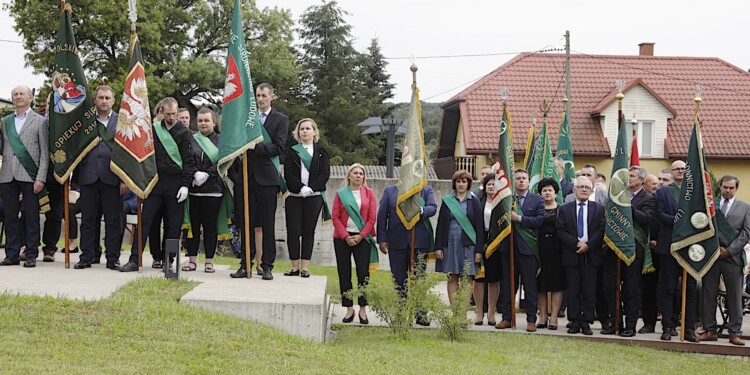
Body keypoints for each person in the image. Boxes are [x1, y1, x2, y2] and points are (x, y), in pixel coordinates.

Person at [120, 97, 194, 272]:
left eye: (174, 114)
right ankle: (134, 259)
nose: (172, 117)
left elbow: (188, 161)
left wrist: (185, 185)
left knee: (174, 225)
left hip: (175, 183)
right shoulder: (153, 131)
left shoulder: (184, 132)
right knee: (144, 221)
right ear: (161, 112)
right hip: (156, 182)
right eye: (168, 114)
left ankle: (170, 262)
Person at [230, 83, 289, 280]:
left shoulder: (280, 119)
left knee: (267, 224)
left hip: (267, 179)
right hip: (246, 179)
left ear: (272, 97)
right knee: (245, 224)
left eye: (264, 95)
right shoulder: (247, 119)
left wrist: (255, 147)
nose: (260, 99)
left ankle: (267, 266)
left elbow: (278, 147)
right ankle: (246, 263)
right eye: (258, 95)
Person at [74, 85, 126, 270]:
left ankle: (112, 258)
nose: (104, 101)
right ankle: (87, 256)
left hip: (113, 178)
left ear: (113, 101)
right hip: (88, 177)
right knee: (88, 221)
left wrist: (124, 179)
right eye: (101, 98)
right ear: (95, 100)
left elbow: (127, 152)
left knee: (113, 221)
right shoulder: (86, 121)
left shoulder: (122, 121)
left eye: (107, 98)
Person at [602, 166, 655, 337]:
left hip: (634, 249)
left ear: (641, 180)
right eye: (627, 176)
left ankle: (630, 325)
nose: (628, 178)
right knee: (610, 287)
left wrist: (628, 208)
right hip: (613, 248)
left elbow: (647, 220)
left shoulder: (648, 198)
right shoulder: (616, 196)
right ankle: (615, 323)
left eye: (632, 176)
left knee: (632, 289)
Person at [0, 86, 49, 268]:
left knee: (31, 216)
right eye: (15, 94)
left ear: (30, 98)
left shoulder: (40, 121)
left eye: (22, 94)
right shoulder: (5, 122)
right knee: (10, 217)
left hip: (30, 175)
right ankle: (11, 254)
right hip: (7, 176)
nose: (18, 97)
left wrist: (41, 178)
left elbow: (44, 153)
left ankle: (31, 254)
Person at [697, 175, 749, 346]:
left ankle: (734, 333)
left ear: (736, 188)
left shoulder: (745, 207)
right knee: (708, 294)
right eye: (725, 187)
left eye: (731, 188)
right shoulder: (710, 205)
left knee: (734, 297)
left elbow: (746, 233)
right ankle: (710, 330)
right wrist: (714, 249)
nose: (728, 190)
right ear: (720, 187)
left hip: (732, 258)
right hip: (711, 256)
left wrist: (729, 251)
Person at [377, 180, 436, 326]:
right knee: (399, 278)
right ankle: (401, 312)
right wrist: (382, 239)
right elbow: (382, 216)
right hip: (397, 241)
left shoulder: (425, 189)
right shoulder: (390, 191)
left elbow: (433, 208)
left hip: (419, 241)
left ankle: (420, 313)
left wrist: (420, 210)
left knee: (419, 279)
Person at [495, 169, 544, 332]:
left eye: (524, 178)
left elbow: (539, 221)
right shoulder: (507, 199)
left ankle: (531, 320)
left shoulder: (537, 200)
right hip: (508, 249)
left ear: (529, 182)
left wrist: (519, 219)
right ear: (513, 182)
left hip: (528, 250)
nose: (521, 181)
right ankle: (507, 318)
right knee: (509, 286)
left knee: (530, 286)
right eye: (518, 178)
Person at [654, 160, 698, 342]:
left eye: (683, 169)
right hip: (669, 246)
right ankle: (667, 327)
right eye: (677, 169)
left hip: (690, 246)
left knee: (690, 290)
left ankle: (688, 328)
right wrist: (681, 222)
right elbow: (661, 215)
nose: (680, 171)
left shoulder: (695, 192)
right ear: (671, 173)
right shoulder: (663, 192)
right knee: (668, 288)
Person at [557, 176, 606, 336]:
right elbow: (561, 230)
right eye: (581, 186)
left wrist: (588, 245)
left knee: (589, 290)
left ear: (592, 190)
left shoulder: (599, 208)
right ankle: (574, 321)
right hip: (572, 254)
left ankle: (586, 322)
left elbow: (601, 230)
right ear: (574, 190)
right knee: (573, 290)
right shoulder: (565, 209)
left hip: (591, 255)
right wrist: (576, 244)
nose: (584, 189)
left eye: (587, 187)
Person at [284, 118, 331, 278]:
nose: (304, 131)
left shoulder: (321, 152)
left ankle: (305, 268)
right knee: (293, 232)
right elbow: (288, 174)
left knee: (308, 232)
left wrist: (311, 188)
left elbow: (324, 174)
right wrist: (300, 187)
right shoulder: (292, 151)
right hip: (295, 196)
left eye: (307, 128)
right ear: (298, 133)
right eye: (301, 129)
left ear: (314, 132)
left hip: (314, 197)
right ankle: (294, 267)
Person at [331, 164, 377, 324]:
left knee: (363, 274)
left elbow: (372, 218)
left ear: (364, 178)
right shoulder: (341, 194)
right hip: (342, 238)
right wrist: (345, 236)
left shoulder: (369, 194)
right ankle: (349, 309)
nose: (358, 175)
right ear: (348, 176)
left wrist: (360, 236)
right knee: (344, 273)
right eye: (355, 173)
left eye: (361, 173)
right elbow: (335, 217)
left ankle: (363, 309)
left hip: (362, 239)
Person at [182, 107, 223, 273]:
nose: (203, 123)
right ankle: (192, 260)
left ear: (214, 122)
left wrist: (207, 173)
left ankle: (209, 261)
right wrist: (194, 174)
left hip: (213, 189)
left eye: (207, 120)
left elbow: (223, 161)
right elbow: (186, 159)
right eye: (200, 120)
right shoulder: (191, 139)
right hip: (193, 190)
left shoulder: (221, 140)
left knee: (210, 227)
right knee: (193, 226)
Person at [435, 170, 484, 306]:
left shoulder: (474, 201)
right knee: (452, 276)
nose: (461, 184)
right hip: (450, 244)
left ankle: (462, 313)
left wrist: (479, 250)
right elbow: (440, 225)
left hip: (468, 245)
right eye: (458, 181)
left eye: (464, 181)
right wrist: (438, 247)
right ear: (454, 183)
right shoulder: (447, 201)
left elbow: (479, 228)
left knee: (467, 278)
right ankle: (454, 313)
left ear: (468, 184)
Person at [535, 177, 565, 330]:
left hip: (557, 250)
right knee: (540, 284)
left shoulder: (562, 209)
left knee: (556, 284)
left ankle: (553, 317)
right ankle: (542, 316)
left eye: (550, 190)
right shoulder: (536, 209)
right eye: (544, 190)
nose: (547, 192)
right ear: (540, 193)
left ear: (555, 193)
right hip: (539, 249)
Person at [472, 173, 501, 326]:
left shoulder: (502, 202)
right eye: (489, 184)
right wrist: (481, 243)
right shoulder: (478, 201)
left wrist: (492, 242)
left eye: (494, 184)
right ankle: (478, 311)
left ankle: (491, 311)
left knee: (494, 279)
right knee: (479, 279)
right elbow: (475, 224)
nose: (491, 186)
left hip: (496, 244)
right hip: (480, 242)